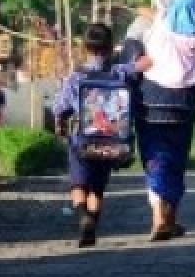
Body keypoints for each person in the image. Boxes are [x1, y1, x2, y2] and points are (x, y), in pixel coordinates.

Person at [135, 0, 195, 240]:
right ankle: (171, 218)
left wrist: (144, 11)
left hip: (151, 100)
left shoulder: (160, 24)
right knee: (176, 160)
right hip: (184, 104)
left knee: (155, 158)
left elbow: (144, 11)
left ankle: (159, 218)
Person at [52, 23, 139, 248]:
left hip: (82, 143)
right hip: (111, 143)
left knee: (79, 184)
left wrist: (60, 126)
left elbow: (60, 108)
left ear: (84, 47)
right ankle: (92, 224)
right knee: (97, 188)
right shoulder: (119, 72)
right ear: (111, 47)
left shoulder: (76, 77)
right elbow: (143, 66)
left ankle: (84, 217)